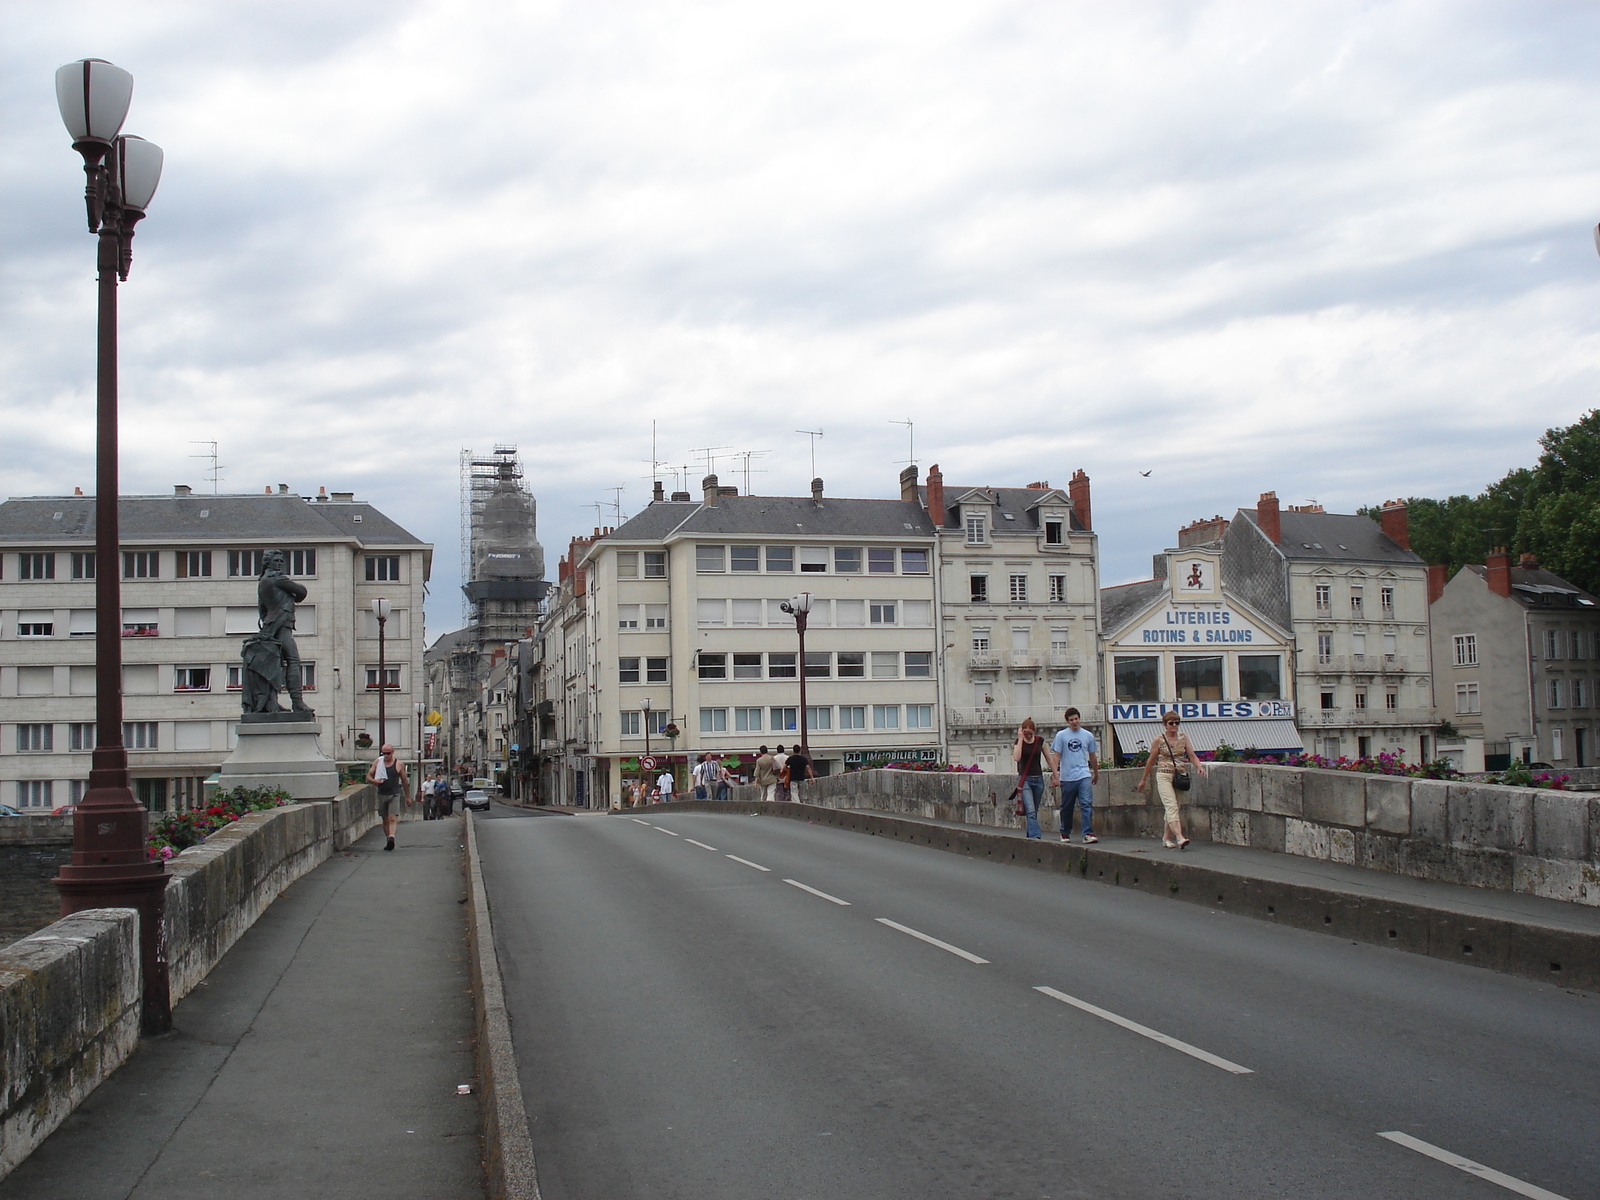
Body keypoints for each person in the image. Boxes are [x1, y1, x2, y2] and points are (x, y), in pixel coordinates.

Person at [1137, 710, 1206, 849]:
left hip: (1180, 775)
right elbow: (1151, 761)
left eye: (1177, 723)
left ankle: (1166, 837)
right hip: (1164, 774)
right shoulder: (1159, 740)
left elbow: (1191, 755)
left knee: (1175, 807)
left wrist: (1199, 766)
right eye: (1171, 723)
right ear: (1165, 724)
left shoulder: (1184, 738)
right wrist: (1143, 779)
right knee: (1171, 806)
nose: (1174, 725)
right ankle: (1180, 837)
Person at [1050, 708, 1101, 843]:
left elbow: (1093, 756)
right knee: (1067, 806)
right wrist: (1055, 775)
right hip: (1067, 777)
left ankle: (1087, 833)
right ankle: (1065, 832)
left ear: (1079, 718)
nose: (1074, 722)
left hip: (1083, 774)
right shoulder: (1061, 736)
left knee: (1086, 804)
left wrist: (1095, 773)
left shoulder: (1088, 735)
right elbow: (1056, 756)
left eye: (1076, 719)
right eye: (1071, 720)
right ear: (1067, 721)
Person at [1011, 718, 1055, 839]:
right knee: (1030, 811)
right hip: (1025, 781)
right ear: (1022, 731)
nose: (1029, 736)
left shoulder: (1040, 741)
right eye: (1026, 733)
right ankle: (1036, 836)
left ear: (1034, 732)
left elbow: (1049, 759)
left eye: (1031, 733)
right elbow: (1017, 757)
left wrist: (1056, 775)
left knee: (1033, 812)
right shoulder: (1018, 742)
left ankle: (1030, 836)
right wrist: (1020, 738)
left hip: (1038, 780)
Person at [366, 743, 409, 851]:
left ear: (392, 752)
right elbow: (368, 775)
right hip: (382, 794)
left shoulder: (399, 764)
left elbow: (404, 780)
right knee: (385, 819)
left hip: (394, 793)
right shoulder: (378, 762)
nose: (386, 755)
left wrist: (408, 796)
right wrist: (374, 780)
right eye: (383, 753)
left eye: (388, 753)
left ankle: (392, 837)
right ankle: (389, 840)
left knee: (392, 818)